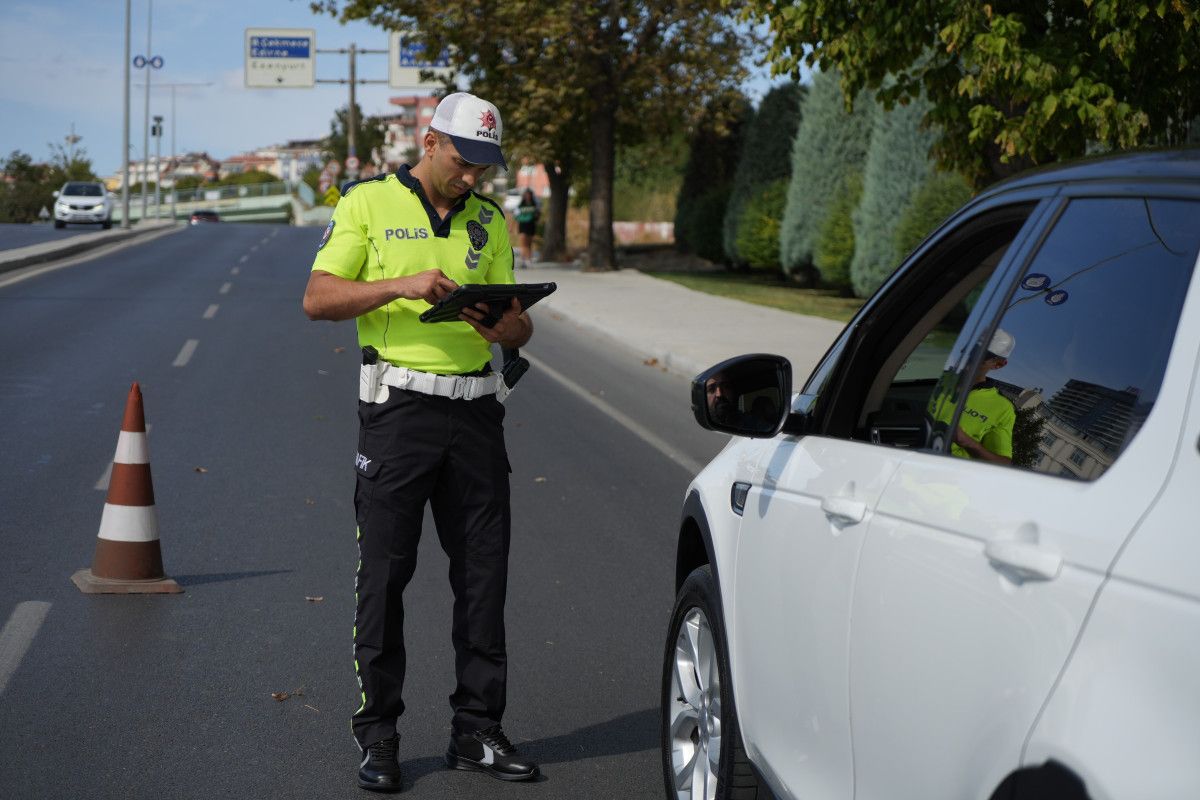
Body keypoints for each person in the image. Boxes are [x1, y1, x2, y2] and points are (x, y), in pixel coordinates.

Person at [302, 91, 540, 793]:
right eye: (464, 163)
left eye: (484, 169)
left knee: (482, 577)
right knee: (385, 575)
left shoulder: (489, 220)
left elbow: (518, 322)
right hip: (398, 412)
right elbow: (317, 298)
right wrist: (401, 285)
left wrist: (509, 329)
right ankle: (378, 736)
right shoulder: (368, 204)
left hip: (476, 416)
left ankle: (478, 731)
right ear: (430, 140)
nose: (472, 179)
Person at [944, 328, 1017, 465]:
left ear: (999, 364)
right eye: (972, 349)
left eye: (982, 355)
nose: (972, 357)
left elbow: (1003, 463)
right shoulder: (937, 378)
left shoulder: (1003, 408)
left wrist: (967, 442)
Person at [513, 188, 539, 269]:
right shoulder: (521, 205)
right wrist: (512, 227)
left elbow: (537, 216)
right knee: (523, 243)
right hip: (523, 225)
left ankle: (528, 260)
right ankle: (523, 260)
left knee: (529, 244)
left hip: (531, 225)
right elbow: (516, 217)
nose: (528, 196)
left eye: (529, 195)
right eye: (526, 195)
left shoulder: (534, 205)